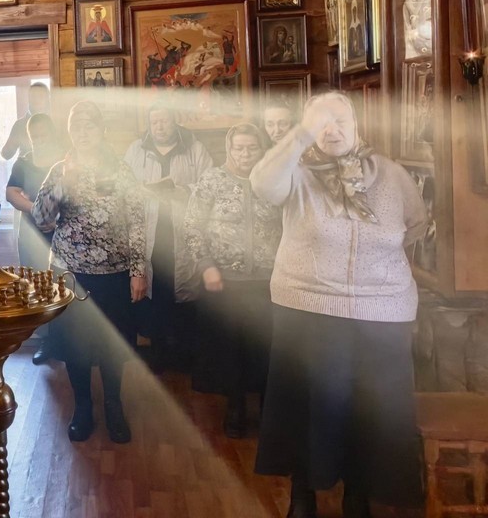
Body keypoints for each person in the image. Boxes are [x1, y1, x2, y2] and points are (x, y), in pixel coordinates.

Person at [251, 93, 428, 518]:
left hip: (382, 311)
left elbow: (416, 225)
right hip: (308, 306)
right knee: (307, 404)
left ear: (356, 122)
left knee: (370, 409)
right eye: (321, 121)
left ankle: (358, 492)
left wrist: (373, 271)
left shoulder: (392, 173)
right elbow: (262, 185)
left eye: (340, 119)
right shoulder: (295, 171)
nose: (332, 129)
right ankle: (303, 493)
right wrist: (301, 135)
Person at [32, 101, 148, 444]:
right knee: (75, 345)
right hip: (70, 274)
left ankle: (113, 404)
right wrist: (62, 186)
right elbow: (41, 220)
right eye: (76, 127)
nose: (83, 133)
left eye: (90, 126)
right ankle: (83, 406)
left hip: (115, 273)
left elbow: (137, 221)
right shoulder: (59, 169)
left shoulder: (121, 169)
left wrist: (139, 270)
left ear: (102, 130)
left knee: (113, 344)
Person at [176, 123, 281, 438]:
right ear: (229, 149)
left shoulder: (274, 180)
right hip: (225, 280)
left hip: (269, 281)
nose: (245, 154)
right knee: (230, 347)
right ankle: (236, 406)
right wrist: (206, 266)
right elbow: (192, 225)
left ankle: (269, 411)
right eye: (239, 148)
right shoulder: (213, 179)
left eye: (252, 147)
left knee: (267, 346)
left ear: (262, 149)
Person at [123, 105, 213, 371]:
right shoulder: (136, 150)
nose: (159, 126)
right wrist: (142, 190)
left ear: (175, 121)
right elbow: (124, 186)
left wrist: (180, 189)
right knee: (155, 291)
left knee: (183, 293)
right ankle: (158, 353)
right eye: (154, 121)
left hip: (182, 231)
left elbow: (209, 186)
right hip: (148, 231)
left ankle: (182, 357)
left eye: (164, 120)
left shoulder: (195, 149)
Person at [6, 113, 65, 364]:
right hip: (32, 232)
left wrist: (55, 215)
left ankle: (68, 341)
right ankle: (46, 340)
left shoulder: (65, 161)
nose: (39, 140)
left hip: (63, 231)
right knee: (39, 286)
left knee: (63, 284)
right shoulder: (23, 162)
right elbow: (11, 193)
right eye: (34, 136)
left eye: (43, 135)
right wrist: (37, 210)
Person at [1, 82, 51, 160]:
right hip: (25, 166)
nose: (36, 99)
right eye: (33, 96)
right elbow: (6, 155)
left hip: (51, 166)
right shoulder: (19, 125)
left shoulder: (56, 122)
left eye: (41, 96)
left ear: (47, 99)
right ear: (28, 98)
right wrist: (14, 141)